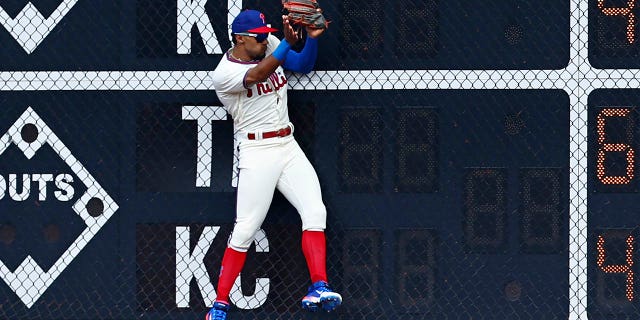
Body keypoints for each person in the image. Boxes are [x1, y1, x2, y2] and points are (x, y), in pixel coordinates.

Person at [206, 9, 342, 320]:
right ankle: (220, 303)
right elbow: (256, 75)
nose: (265, 39)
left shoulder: (267, 45)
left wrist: (310, 40)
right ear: (240, 39)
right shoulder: (224, 72)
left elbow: (302, 65)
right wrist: (283, 45)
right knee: (246, 229)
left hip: (287, 144)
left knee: (315, 211)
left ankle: (319, 286)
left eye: (267, 33)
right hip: (258, 149)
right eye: (259, 35)